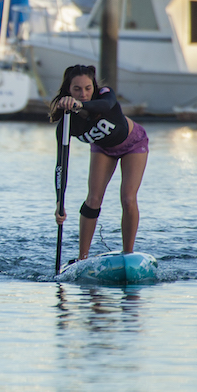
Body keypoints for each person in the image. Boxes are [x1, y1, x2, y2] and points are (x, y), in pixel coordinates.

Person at [49, 64, 149, 262]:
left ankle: (128, 254)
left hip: (133, 144)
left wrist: (79, 105)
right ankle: (82, 258)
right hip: (102, 149)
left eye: (87, 88)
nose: (83, 93)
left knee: (128, 198)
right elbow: (61, 165)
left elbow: (105, 105)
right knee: (93, 200)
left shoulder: (105, 95)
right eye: (77, 89)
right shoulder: (67, 125)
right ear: (68, 90)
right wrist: (59, 201)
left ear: (93, 87)